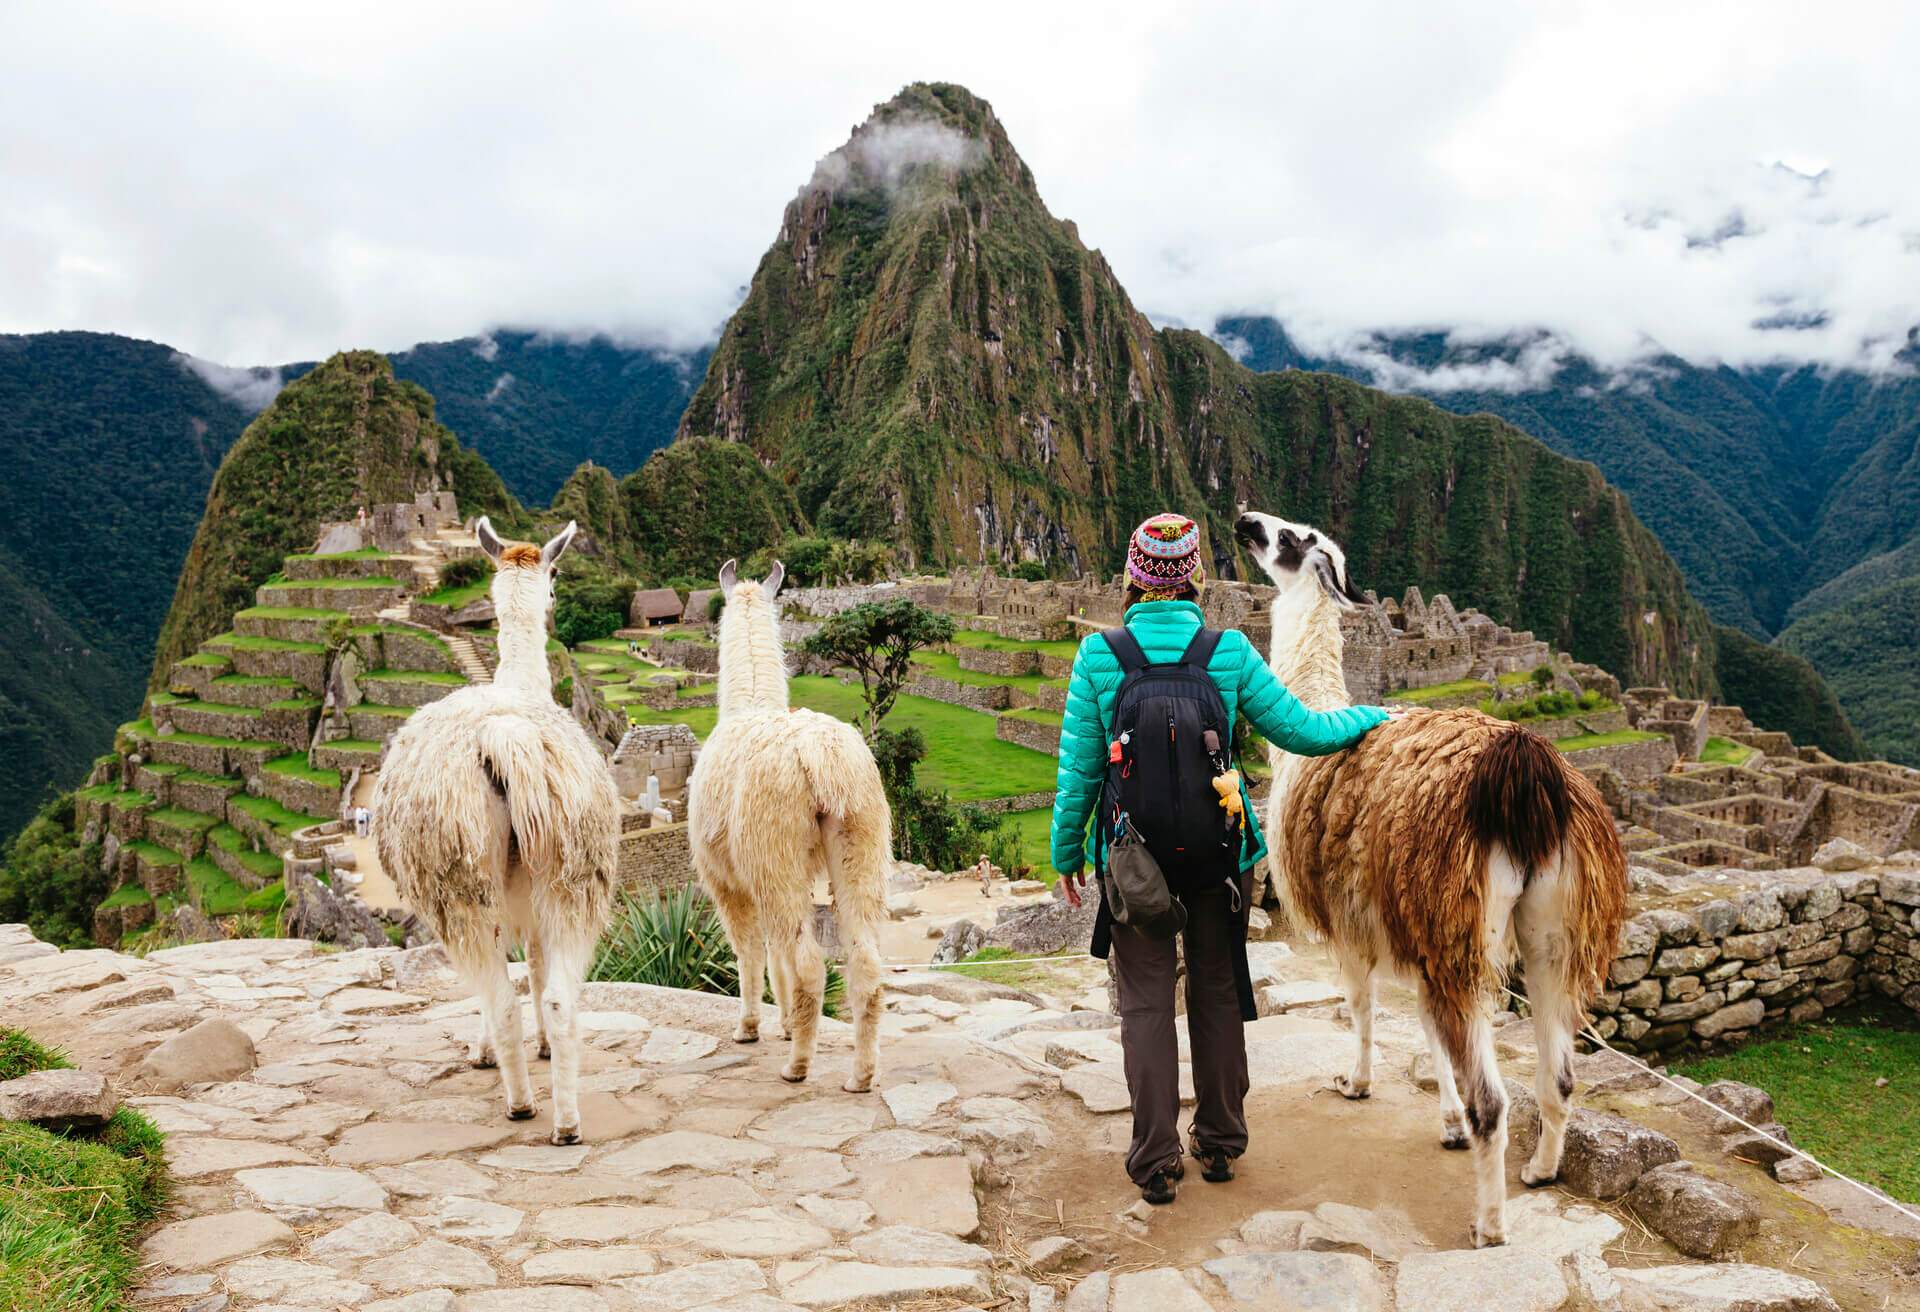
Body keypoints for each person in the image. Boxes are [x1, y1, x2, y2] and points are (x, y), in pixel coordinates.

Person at [1048, 512, 1394, 1207]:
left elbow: (1081, 771)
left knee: (1145, 1006)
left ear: (1134, 575)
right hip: (1218, 859)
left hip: (1131, 863)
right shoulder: (1228, 651)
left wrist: (1065, 852)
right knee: (1215, 995)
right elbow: (1303, 729)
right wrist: (1374, 717)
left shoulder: (1100, 656)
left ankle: (1154, 1162)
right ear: (1194, 577)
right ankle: (1220, 1143)